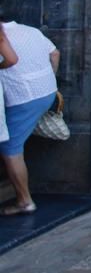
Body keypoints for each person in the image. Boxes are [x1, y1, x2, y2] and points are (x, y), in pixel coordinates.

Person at [0, 16, 58, 217]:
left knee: (10, 147)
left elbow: (10, 59)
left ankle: (25, 201)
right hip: (47, 91)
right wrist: (49, 78)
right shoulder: (30, 30)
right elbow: (55, 53)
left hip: (23, 97)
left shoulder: (4, 36)